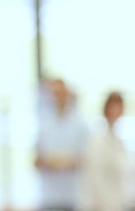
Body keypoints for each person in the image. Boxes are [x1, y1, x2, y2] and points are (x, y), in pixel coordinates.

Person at [35, 78, 89, 211]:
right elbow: (36, 160)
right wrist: (46, 163)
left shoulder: (80, 124)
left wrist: (68, 163)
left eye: (61, 93)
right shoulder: (44, 122)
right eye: (54, 93)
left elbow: (85, 159)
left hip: (71, 196)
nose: (57, 97)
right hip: (48, 196)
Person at [80, 91, 128, 211]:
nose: (116, 112)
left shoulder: (118, 140)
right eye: (112, 107)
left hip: (116, 204)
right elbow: (94, 177)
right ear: (105, 109)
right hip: (100, 205)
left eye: (119, 108)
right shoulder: (97, 138)